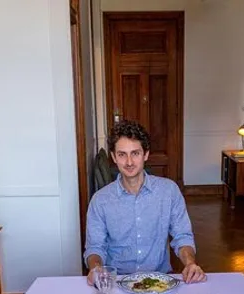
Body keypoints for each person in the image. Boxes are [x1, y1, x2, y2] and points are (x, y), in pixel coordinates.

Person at [84, 120, 206, 284]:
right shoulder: (100, 200)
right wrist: (96, 268)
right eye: (122, 154)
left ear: (146, 154)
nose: (129, 162)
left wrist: (190, 263)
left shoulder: (169, 191)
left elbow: (182, 236)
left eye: (135, 153)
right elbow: (95, 247)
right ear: (113, 157)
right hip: (116, 282)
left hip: (159, 282)